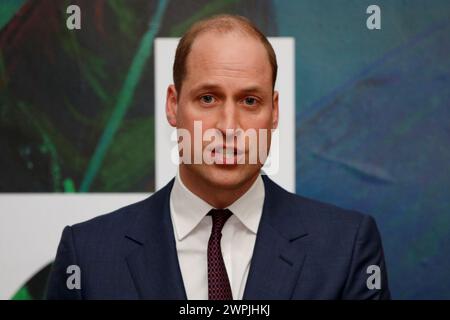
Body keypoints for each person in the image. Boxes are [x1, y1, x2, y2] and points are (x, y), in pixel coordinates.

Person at [46, 14, 390, 300]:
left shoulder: (346, 248)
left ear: (274, 112)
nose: (229, 126)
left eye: (250, 101)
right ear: (172, 105)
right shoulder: (88, 256)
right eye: (208, 98)